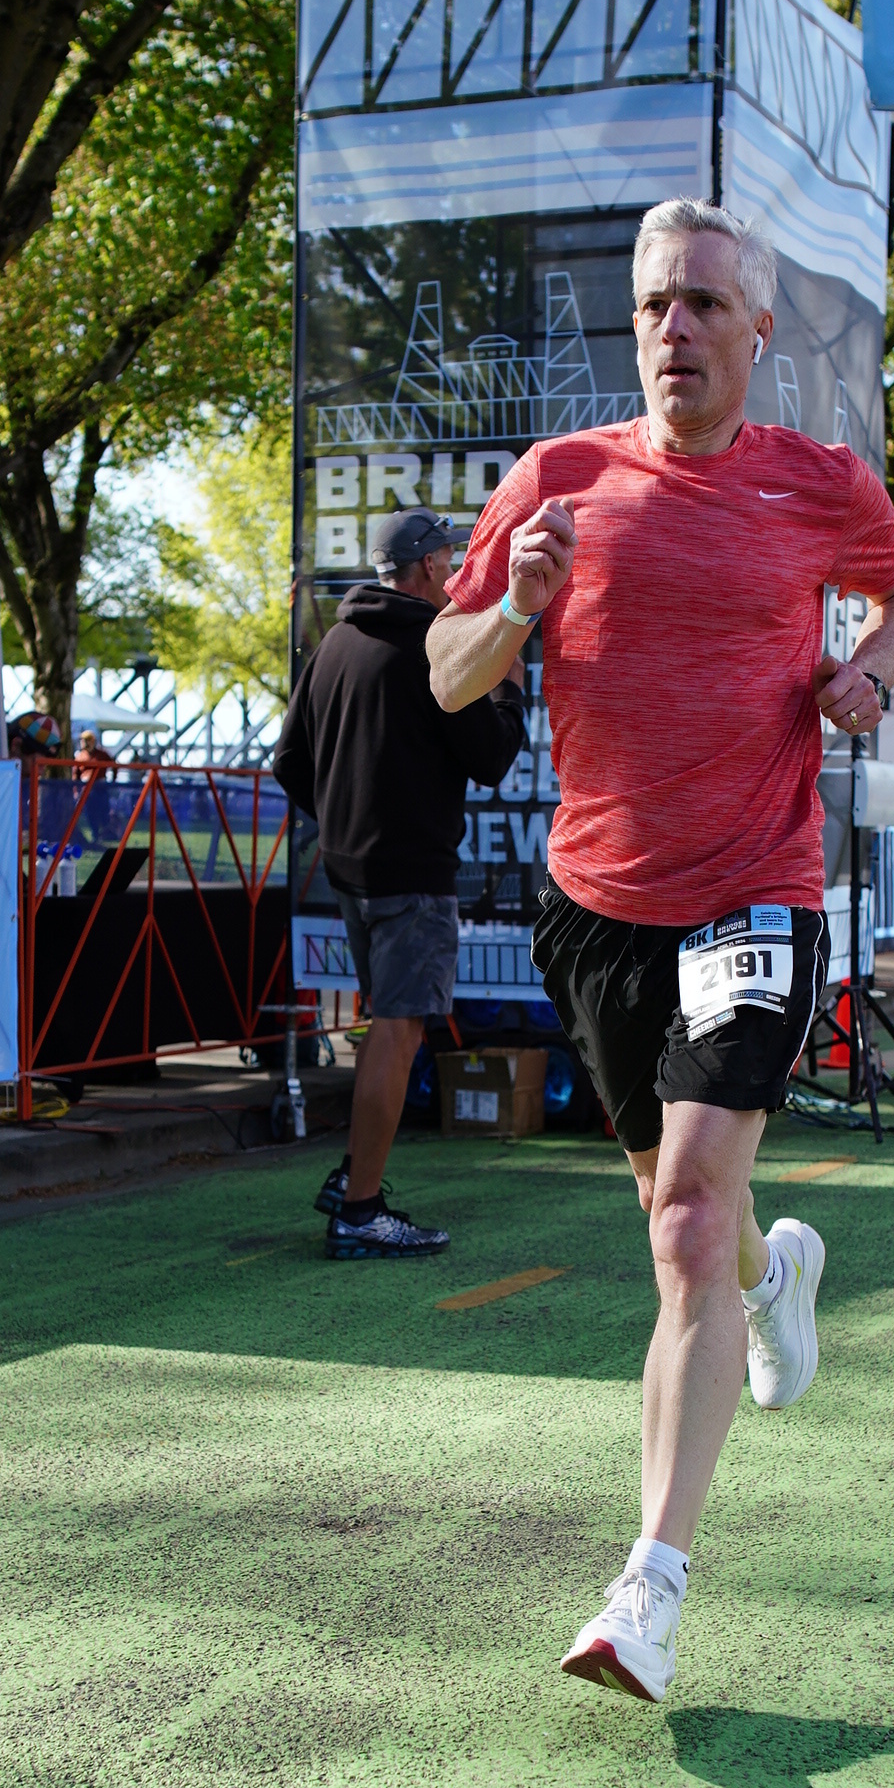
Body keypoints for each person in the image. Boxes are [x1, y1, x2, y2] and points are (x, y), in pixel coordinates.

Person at [430, 199, 894, 1699]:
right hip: (598, 906)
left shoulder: (817, 484)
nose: (676, 328)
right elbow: (449, 677)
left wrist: (868, 670)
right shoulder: (558, 478)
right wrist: (516, 606)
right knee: (683, 1211)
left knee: (683, 1229)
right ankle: (778, 1282)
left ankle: (648, 1587)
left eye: (707, 303)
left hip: (754, 890)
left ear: (757, 331)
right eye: (656, 303)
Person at [276, 504, 527, 1258]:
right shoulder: (431, 645)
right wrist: (509, 687)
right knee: (398, 1028)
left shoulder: (336, 642)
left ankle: (357, 1176)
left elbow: (288, 762)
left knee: (386, 1024)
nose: (454, 570)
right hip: (412, 872)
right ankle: (360, 1210)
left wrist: (344, 821)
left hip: (350, 868)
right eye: (448, 558)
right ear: (425, 568)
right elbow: (492, 757)